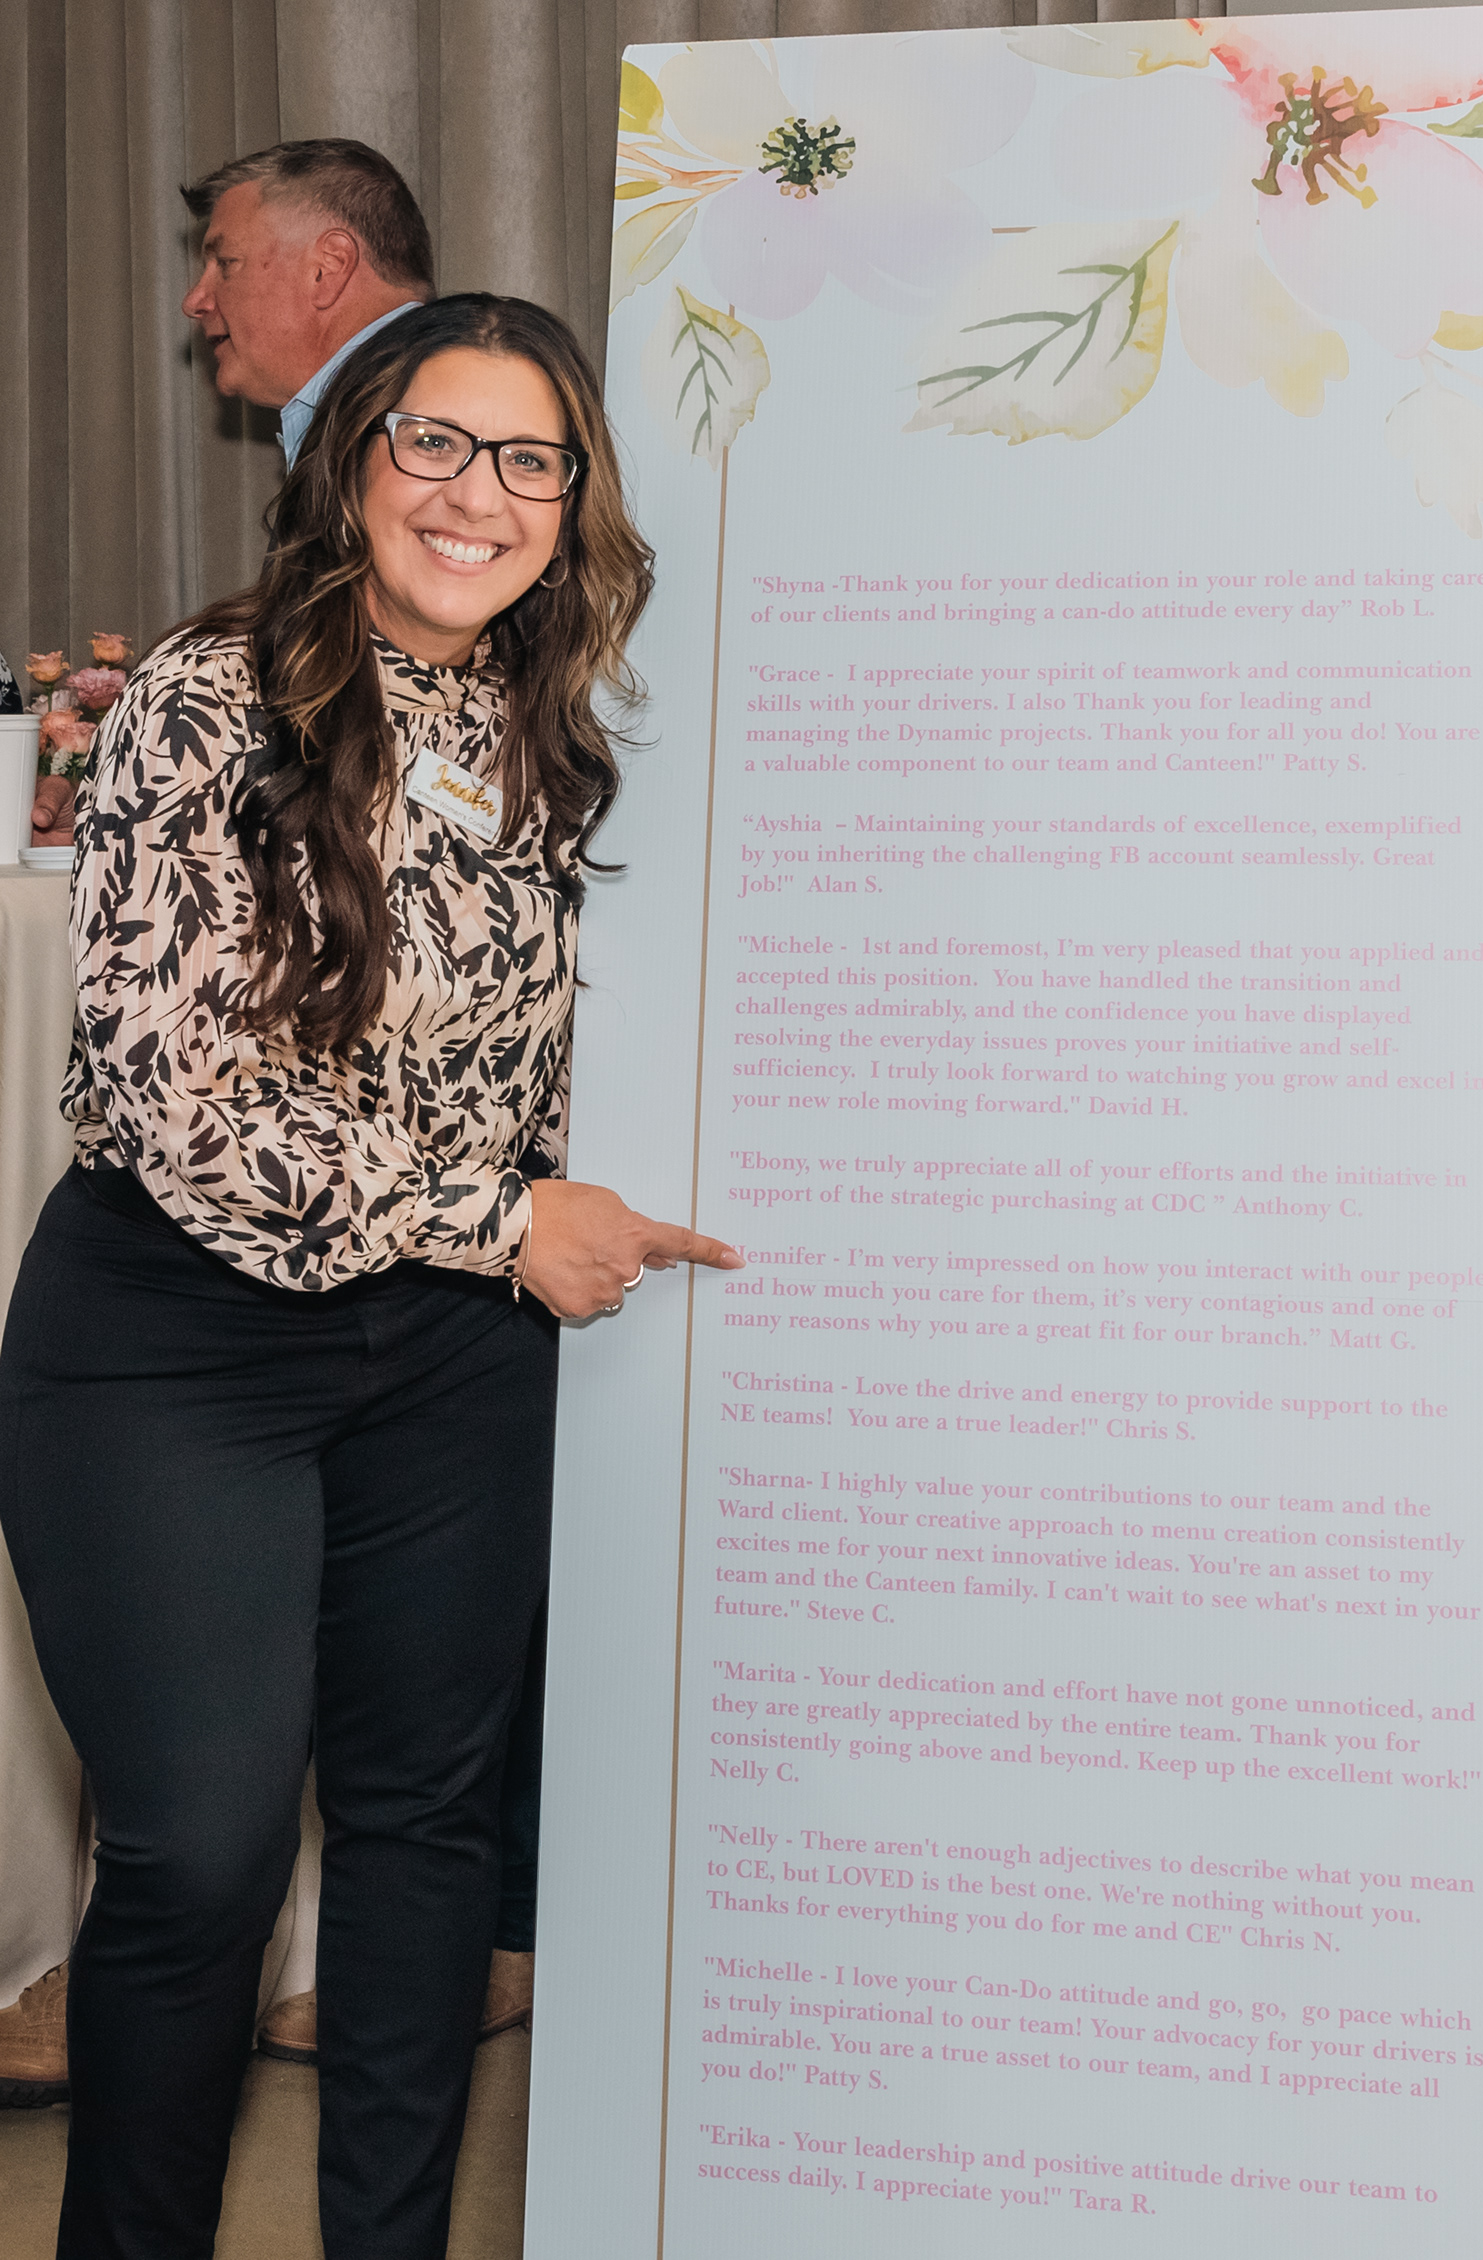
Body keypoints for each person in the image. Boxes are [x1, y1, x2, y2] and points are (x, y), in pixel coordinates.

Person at [0, 292, 741, 2254]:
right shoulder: (213, 692)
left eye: (525, 457)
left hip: (453, 1357)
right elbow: (178, 1084)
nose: (472, 491)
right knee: (206, 1848)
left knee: (429, 1842)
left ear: (572, 501)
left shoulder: (573, 730)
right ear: (354, 459)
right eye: (433, 439)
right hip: (178, 1334)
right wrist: (503, 1220)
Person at [28, 137, 429, 854]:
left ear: (328, 267)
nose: (195, 299)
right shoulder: (360, 414)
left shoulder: (422, 418)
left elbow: (427, 719)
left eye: (225, 262)